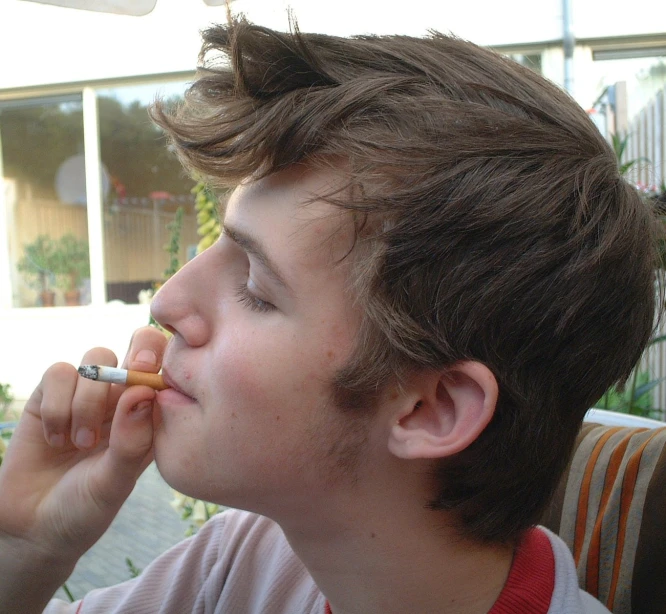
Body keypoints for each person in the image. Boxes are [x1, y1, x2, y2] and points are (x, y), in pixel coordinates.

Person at [0, 16, 660, 614]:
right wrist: (27, 548)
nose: (167, 303)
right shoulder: (246, 564)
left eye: (256, 285)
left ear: (429, 409)